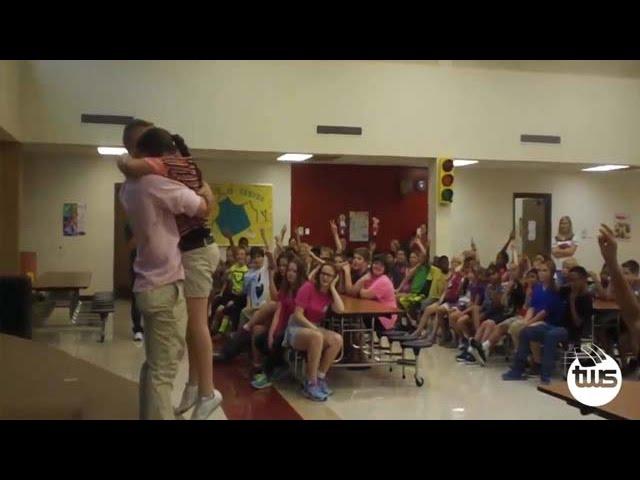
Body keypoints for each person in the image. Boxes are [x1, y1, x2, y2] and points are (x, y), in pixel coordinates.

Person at [120, 126, 223, 420]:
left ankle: (201, 388)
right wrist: (208, 194)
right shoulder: (155, 181)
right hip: (172, 272)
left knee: (192, 329)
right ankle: (201, 389)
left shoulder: (129, 187)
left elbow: (130, 166)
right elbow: (202, 207)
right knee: (165, 364)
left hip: (181, 261)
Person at [284, 263, 345, 401]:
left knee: (337, 339)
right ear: (319, 274)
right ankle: (311, 383)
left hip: (314, 328)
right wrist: (315, 329)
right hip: (296, 328)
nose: (325, 277)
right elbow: (298, 315)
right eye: (323, 273)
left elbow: (340, 310)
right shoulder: (308, 287)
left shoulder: (329, 293)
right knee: (317, 336)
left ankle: (320, 377)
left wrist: (333, 288)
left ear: (334, 278)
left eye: (329, 275)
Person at [502, 259, 565, 384]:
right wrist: (526, 320)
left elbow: (545, 312)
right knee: (520, 328)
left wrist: (529, 323)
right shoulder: (537, 288)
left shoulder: (556, 290)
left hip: (551, 322)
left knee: (526, 330)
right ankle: (519, 365)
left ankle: (536, 364)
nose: (541, 273)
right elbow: (532, 307)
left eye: (545, 271)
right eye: (540, 271)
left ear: (552, 272)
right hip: (538, 319)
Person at [251, 256, 307, 389]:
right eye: (289, 270)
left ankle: (267, 374)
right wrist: (271, 332)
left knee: (279, 339)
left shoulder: (304, 289)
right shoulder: (286, 287)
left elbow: (299, 316)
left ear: (300, 273)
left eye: (294, 271)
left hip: (297, 326)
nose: (290, 273)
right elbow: (279, 311)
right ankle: (282, 365)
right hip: (284, 325)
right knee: (261, 339)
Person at [125, 222, 144, 341]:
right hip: (137, 266)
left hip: (154, 265)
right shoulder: (130, 224)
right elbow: (130, 245)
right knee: (136, 297)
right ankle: (137, 329)